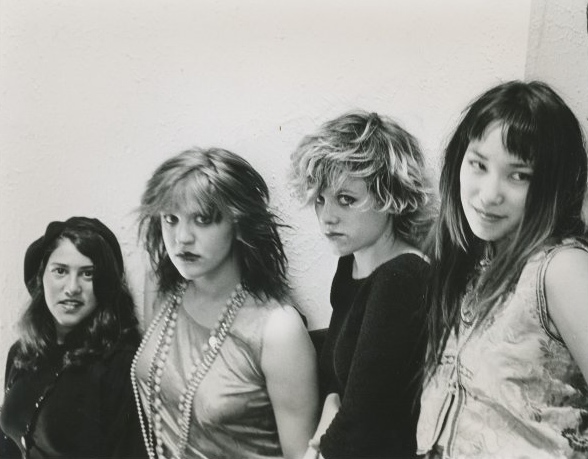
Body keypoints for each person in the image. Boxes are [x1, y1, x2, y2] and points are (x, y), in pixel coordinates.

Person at [417, 81, 588, 458]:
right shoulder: (469, 262)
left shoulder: (560, 269)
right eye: (479, 165)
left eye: (519, 175)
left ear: (552, 184)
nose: (490, 193)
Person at [132, 147, 319, 459]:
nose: (181, 238)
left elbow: (300, 455)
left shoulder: (278, 329)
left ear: (238, 222)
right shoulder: (162, 288)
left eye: (202, 219)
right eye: (171, 219)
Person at [290, 111, 433, 458]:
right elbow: (337, 392)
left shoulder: (403, 278)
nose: (327, 217)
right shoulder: (351, 265)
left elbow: (363, 426)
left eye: (346, 199)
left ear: (390, 197)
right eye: (320, 199)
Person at [0, 216, 145, 458]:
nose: (72, 287)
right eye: (60, 271)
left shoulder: (121, 364)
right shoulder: (22, 353)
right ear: (41, 277)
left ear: (106, 284)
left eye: (87, 274)